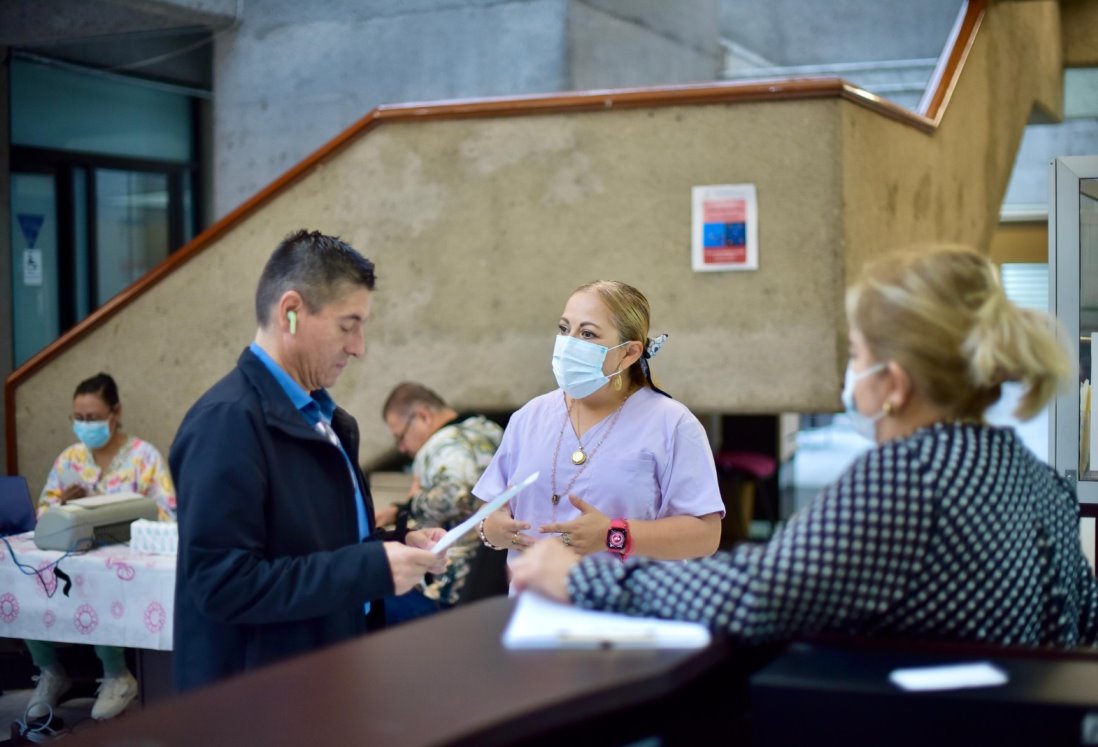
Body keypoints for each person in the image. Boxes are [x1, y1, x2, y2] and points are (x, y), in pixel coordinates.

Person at [512, 246, 1098, 649]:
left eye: (857, 353)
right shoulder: (1036, 478)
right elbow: (1080, 615)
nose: (850, 371)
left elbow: (764, 590)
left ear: (893, 385)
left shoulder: (911, 475)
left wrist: (583, 579)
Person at [170, 229, 446, 691]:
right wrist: (371, 568)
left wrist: (395, 544)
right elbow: (223, 583)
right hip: (260, 700)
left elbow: (314, 541)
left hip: (326, 674)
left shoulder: (323, 418)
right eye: (347, 325)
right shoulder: (227, 423)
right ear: (292, 312)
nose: (359, 346)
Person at [475, 280, 724, 574]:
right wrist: (490, 528)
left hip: (626, 611)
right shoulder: (530, 416)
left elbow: (706, 535)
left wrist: (613, 535)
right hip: (535, 608)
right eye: (565, 329)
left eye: (588, 333)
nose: (569, 343)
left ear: (629, 353)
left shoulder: (672, 424)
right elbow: (490, 505)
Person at [28, 372, 176, 721]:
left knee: (99, 581)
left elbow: (169, 513)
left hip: (125, 566)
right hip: (74, 557)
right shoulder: (69, 460)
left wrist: (120, 508)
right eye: (78, 419)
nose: (84, 425)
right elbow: (43, 514)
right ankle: (50, 671)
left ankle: (117, 676)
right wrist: (63, 504)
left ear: (115, 412)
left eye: (92, 418)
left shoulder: (143, 457)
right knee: (26, 573)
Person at [378, 382, 504, 622]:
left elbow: (455, 494)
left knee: (364, 604)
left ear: (423, 416)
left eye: (400, 437)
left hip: (448, 588)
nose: (402, 448)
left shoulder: (444, 444)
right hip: (487, 578)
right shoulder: (486, 431)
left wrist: (411, 504)